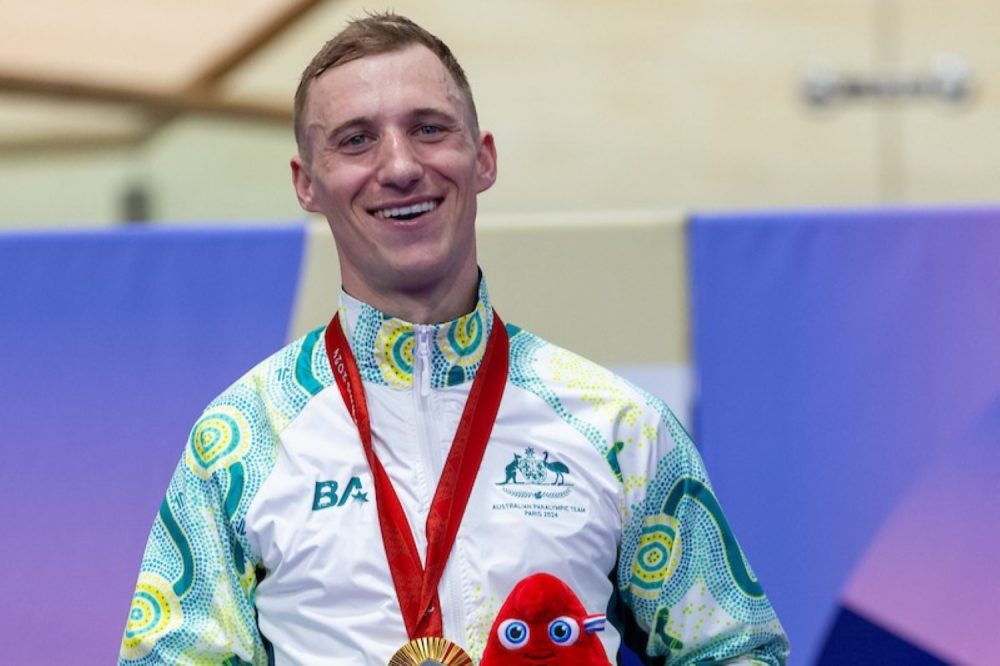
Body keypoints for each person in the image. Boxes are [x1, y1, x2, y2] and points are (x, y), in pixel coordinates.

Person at [120, 13, 789, 665]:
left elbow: (734, 650)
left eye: (429, 129)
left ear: (484, 157)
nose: (401, 165)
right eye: (356, 140)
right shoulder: (241, 438)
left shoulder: (618, 427)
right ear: (306, 184)